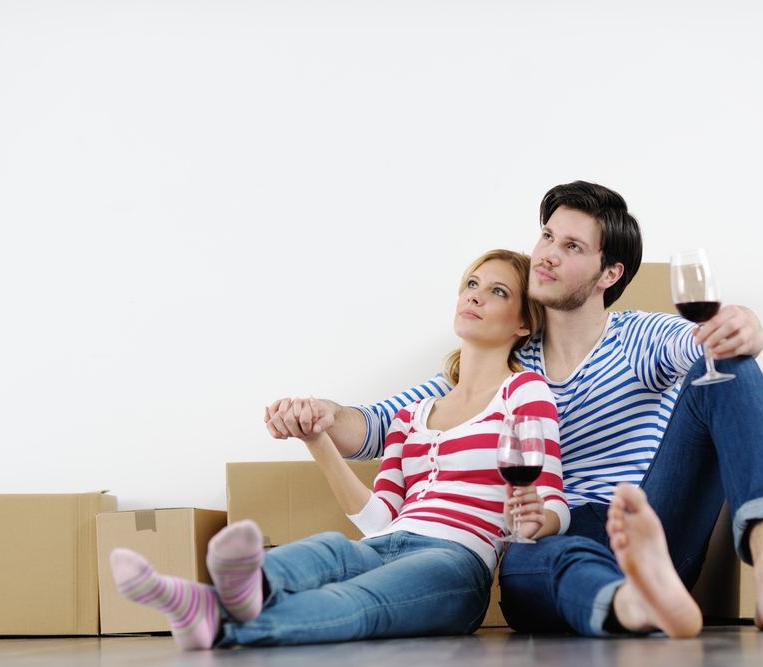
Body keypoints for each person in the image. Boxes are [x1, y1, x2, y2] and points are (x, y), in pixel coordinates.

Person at [266, 181, 763, 638]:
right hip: (560, 534)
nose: (548, 253)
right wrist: (319, 412)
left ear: (611, 275)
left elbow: (704, 344)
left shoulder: (640, 337)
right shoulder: (503, 361)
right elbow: (378, 426)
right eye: (548, 236)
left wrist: (745, 324)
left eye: (572, 247)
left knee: (725, 361)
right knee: (524, 558)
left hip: (650, 517)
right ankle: (632, 604)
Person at [110, 249, 568, 650]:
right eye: (471, 284)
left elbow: (553, 504)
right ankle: (221, 591)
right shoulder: (412, 414)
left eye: (497, 292)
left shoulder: (523, 392)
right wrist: (317, 441)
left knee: (355, 602)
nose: (474, 295)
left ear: (524, 322)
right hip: (389, 541)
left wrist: (534, 518)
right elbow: (379, 520)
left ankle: (219, 613)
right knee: (333, 548)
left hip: (456, 558)